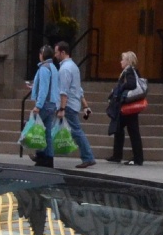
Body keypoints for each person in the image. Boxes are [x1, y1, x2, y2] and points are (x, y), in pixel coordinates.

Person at [52, 40, 98, 169]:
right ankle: (42, 153)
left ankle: (88, 157)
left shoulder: (64, 69)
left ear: (63, 52)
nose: (55, 55)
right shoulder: (73, 66)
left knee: (76, 131)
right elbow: (78, 89)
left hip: (68, 105)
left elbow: (64, 91)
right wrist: (85, 105)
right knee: (54, 127)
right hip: (73, 104)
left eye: (56, 53)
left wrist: (62, 108)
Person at [106, 51, 147, 165]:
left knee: (131, 132)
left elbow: (131, 84)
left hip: (127, 107)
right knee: (121, 130)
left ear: (128, 61)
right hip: (129, 106)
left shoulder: (129, 71)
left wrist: (119, 89)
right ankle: (119, 155)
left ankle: (136, 158)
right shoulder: (131, 71)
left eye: (123, 59)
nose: (121, 61)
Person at [25, 44, 59, 167]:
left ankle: (41, 156)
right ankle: (48, 159)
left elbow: (44, 89)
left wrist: (38, 105)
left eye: (40, 54)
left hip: (45, 104)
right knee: (47, 132)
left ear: (42, 55)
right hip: (53, 103)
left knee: (36, 129)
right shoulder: (53, 68)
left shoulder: (44, 68)